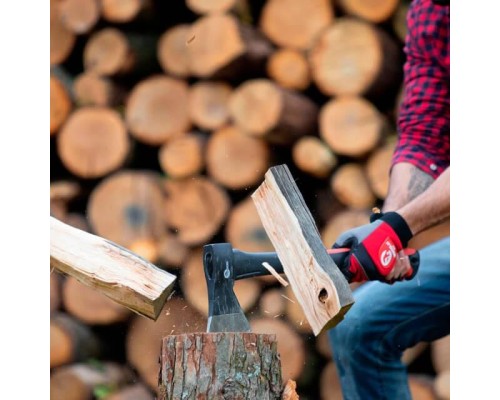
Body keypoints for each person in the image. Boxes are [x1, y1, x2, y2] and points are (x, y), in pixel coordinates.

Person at [327, 0, 450, 398]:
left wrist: (398, 227)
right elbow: (424, 137)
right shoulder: (434, 10)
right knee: (359, 327)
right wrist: (387, 230)